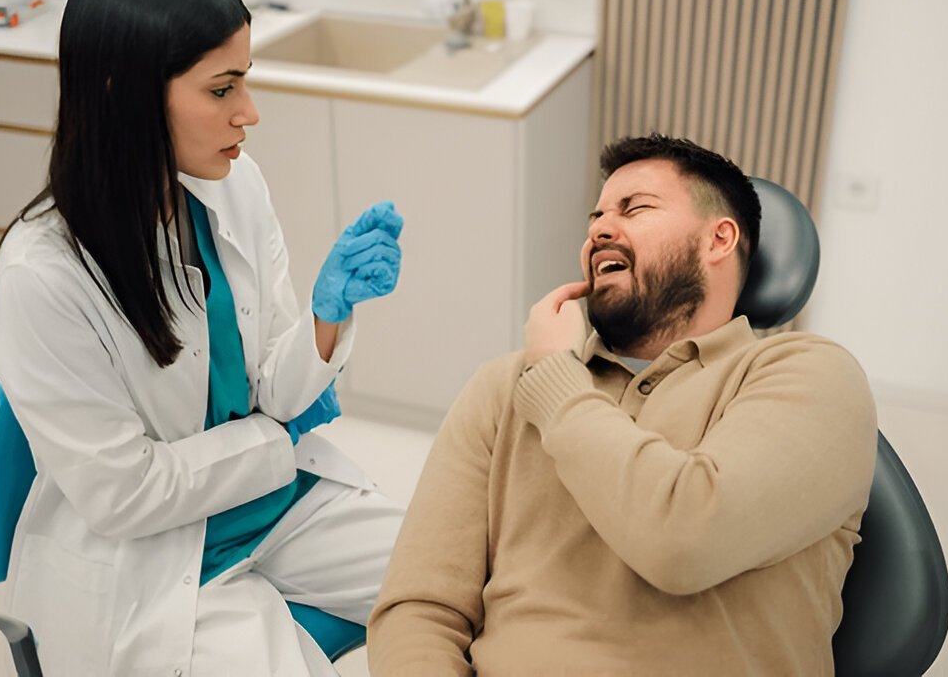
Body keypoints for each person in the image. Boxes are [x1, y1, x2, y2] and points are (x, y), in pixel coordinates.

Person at [0, 0, 405, 676]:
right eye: (222, 89)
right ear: (125, 92)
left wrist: (327, 319)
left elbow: (276, 389)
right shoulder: (40, 278)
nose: (250, 113)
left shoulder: (233, 188)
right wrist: (276, 437)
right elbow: (127, 494)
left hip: (276, 501)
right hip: (154, 557)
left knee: (473, 580)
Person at [368, 134, 878, 676]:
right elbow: (420, 607)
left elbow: (685, 541)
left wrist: (557, 386)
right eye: (597, 216)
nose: (599, 229)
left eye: (635, 208)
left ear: (719, 239)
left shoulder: (812, 376)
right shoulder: (503, 388)